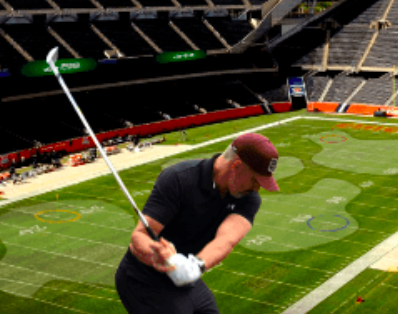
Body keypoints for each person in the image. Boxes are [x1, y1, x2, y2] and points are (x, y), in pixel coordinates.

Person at [115, 133, 280, 314]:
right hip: (143, 279)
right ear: (237, 166)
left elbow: (226, 240)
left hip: (185, 277)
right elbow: (139, 236)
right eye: (255, 180)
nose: (256, 188)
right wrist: (161, 256)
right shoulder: (179, 178)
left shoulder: (249, 198)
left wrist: (194, 267)